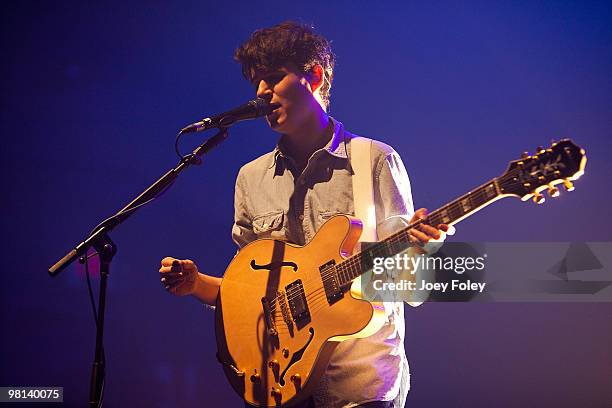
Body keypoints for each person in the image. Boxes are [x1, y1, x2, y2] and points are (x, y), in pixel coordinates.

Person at [159, 21, 449, 408]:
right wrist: (198, 285)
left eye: (275, 78)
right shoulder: (251, 178)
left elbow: (412, 290)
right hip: (278, 386)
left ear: (314, 76)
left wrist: (421, 248)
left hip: (358, 391)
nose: (262, 92)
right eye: (256, 83)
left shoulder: (374, 160)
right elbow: (251, 296)